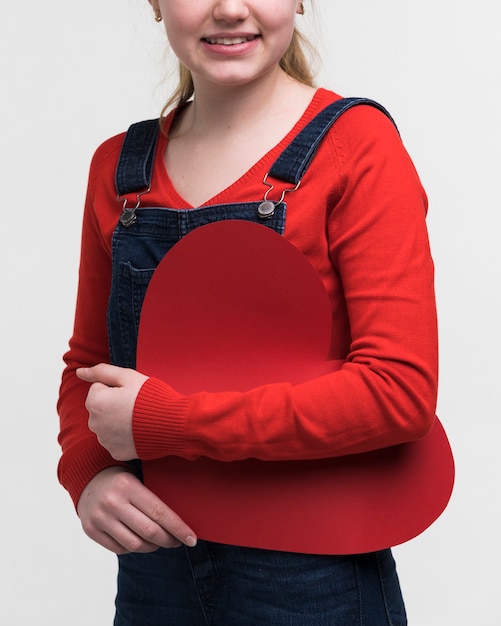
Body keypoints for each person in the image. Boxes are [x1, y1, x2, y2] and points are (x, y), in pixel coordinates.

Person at [57, 1, 438, 624]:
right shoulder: (118, 172)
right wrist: (89, 469)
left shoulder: (355, 148)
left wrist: (169, 424)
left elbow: (398, 392)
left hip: (314, 577)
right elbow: (89, 363)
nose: (230, 8)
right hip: (156, 571)